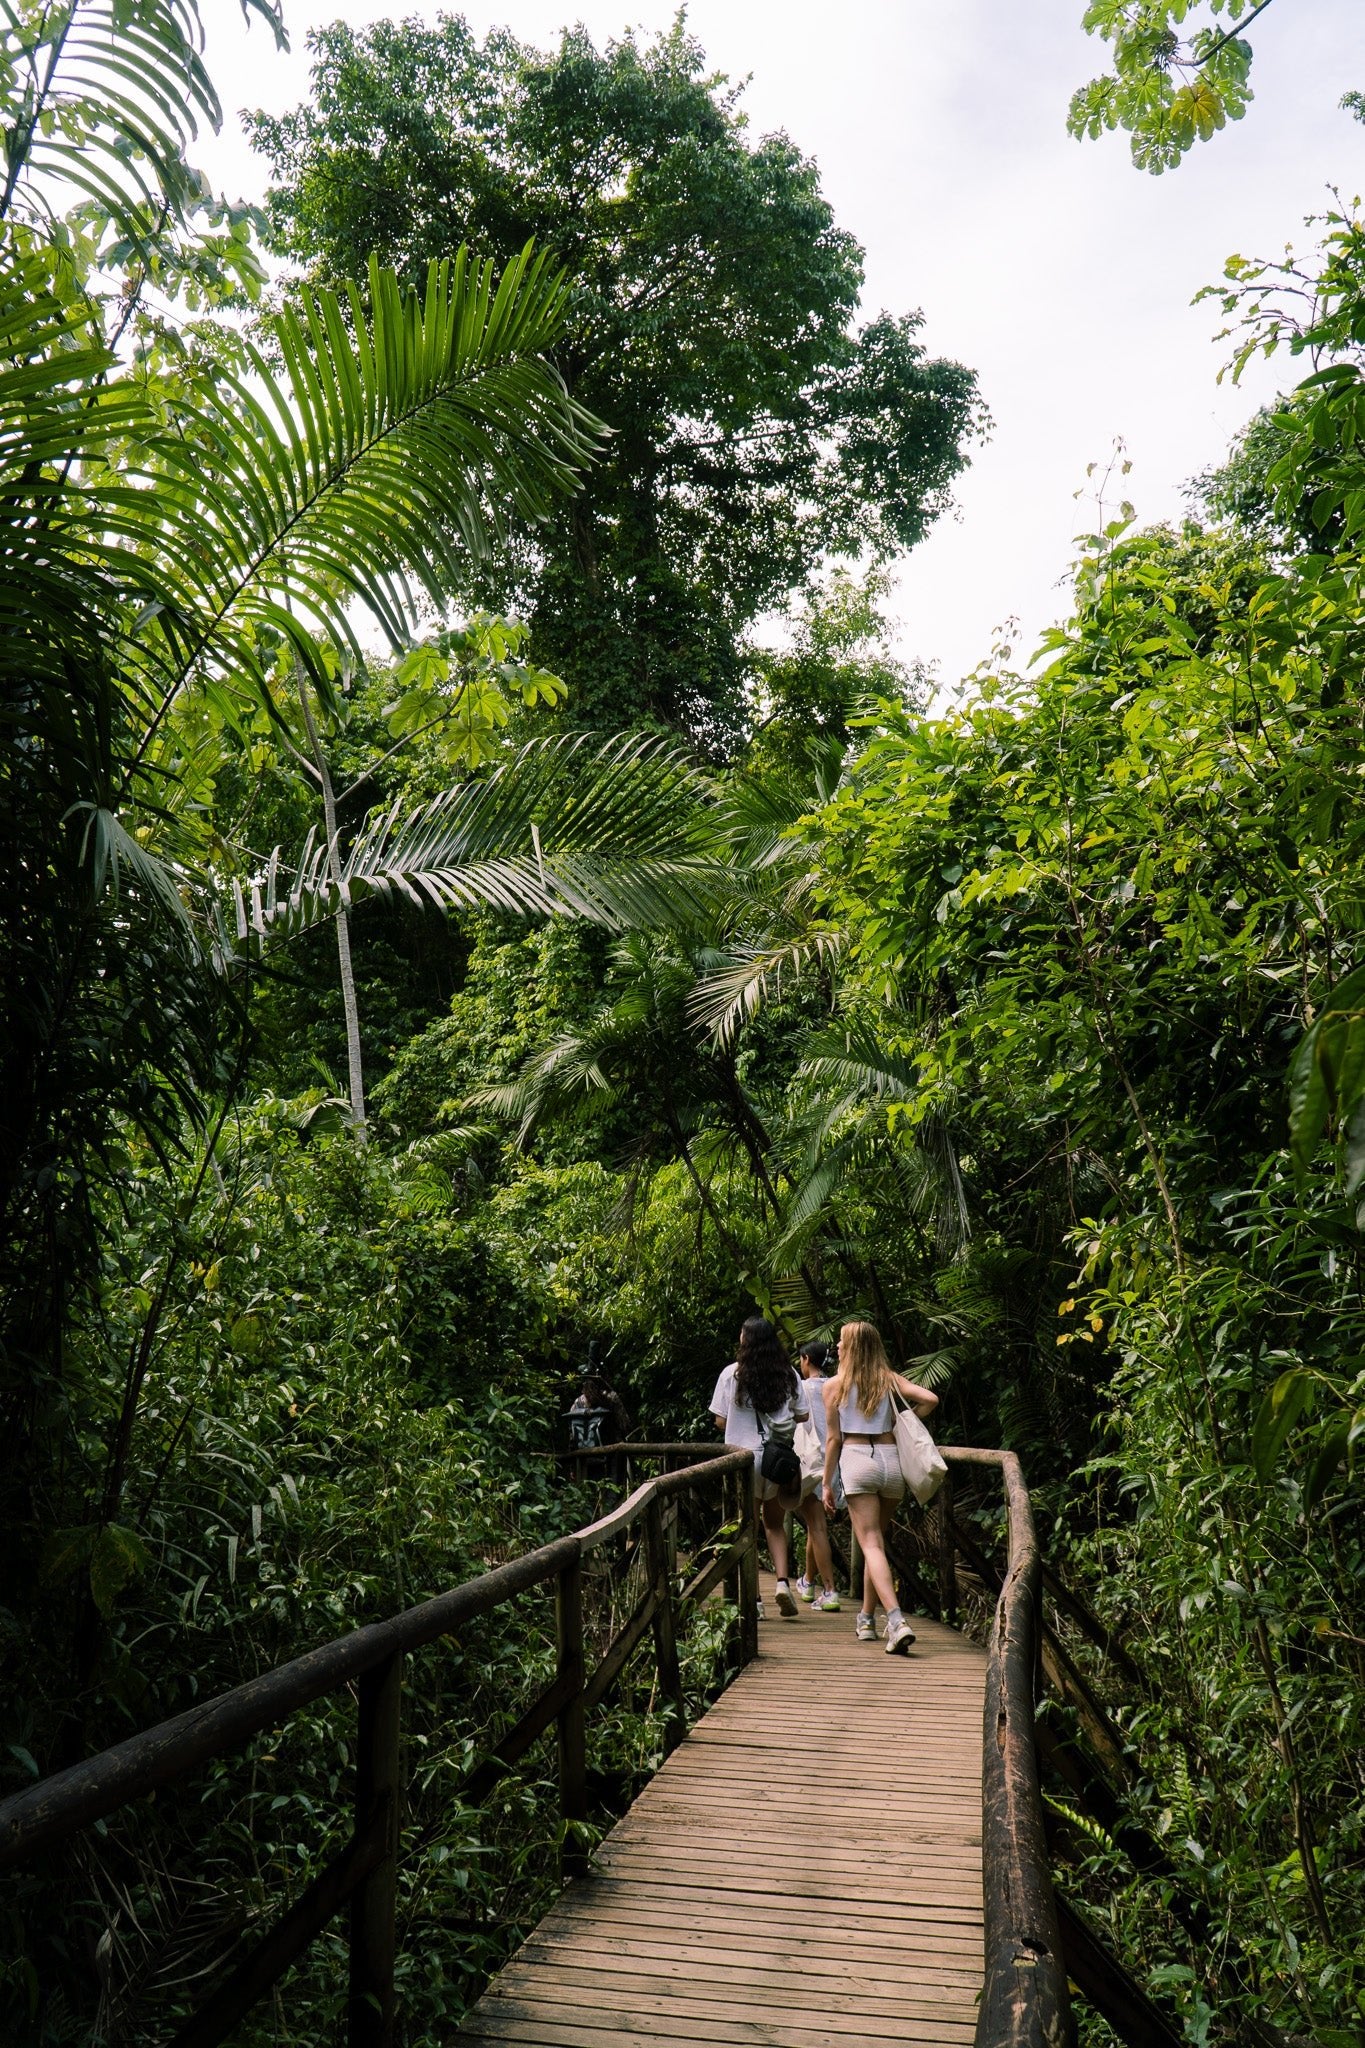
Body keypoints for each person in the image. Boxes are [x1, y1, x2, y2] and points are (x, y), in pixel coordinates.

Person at [821, 1320, 939, 1655]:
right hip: (890, 1462)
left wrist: (827, 1484)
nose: (839, 1347)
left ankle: (896, 1619)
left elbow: (833, 1440)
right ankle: (866, 1618)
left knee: (870, 1543)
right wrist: (903, 1421)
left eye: (842, 1342)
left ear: (854, 1347)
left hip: (858, 1459)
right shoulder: (887, 1380)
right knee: (876, 1544)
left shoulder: (834, 1386)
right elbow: (931, 1398)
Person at [711, 1317, 809, 1619]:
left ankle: (754, 1600)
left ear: (746, 1340)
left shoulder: (732, 1374)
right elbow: (802, 1416)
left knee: (748, 1530)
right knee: (775, 1524)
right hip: (777, 1461)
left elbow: (720, 1420)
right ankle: (782, 1583)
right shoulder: (789, 1374)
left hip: (744, 1460)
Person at [792, 1341, 840, 1610]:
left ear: (807, 1359)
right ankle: (808, 1582)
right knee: (815, 1523)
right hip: (832, 1462)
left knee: (817, 1526)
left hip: (809, 1463)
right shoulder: (836, 1386)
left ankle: (830, 1590)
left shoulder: (802, 1389)